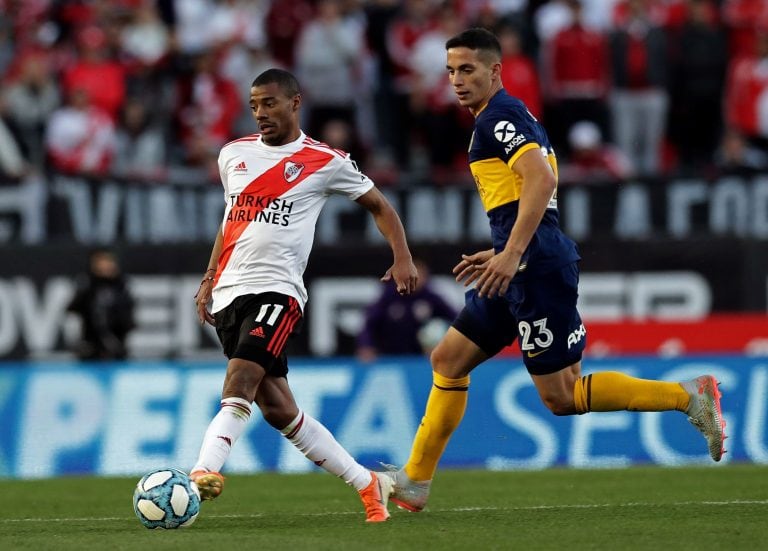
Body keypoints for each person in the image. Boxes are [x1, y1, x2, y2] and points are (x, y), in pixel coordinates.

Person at [379, 28, 726, 513]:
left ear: (494, 71)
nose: (457, 80)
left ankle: (688, 395)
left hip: (534, 268)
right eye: (451, 71)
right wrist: (501, 249)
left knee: (561, 397)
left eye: (468, 70)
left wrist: (512, 250)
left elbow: (541, 178)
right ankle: (415, 481)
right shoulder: (504, 116)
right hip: (518, 262)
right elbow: (530, 188)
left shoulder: (498, 117)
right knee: (448, 359)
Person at [191, 68, 418, 523]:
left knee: (239, 384)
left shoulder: (325, 160)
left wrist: (403, 257)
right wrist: (210, 276)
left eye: (269, 103)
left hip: (278, 291)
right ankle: (368, 483)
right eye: (254, 105)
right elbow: (231, 220)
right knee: (278, 410)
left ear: (295, 103)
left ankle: (200, 473)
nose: (260, 113)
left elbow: (380, 206)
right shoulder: (232, 155)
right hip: (231, 291)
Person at [356, 258, 458, 362]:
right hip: (389, 357)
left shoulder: (431, 298)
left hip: (421, 359)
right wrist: (366, 345)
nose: (415, 280)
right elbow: (369, 324)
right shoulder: (389, 296)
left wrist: (443, 346)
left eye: (420, 276)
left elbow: (456, 320)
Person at [67, 248, 135, 360]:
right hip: (90, 347)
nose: (105, 266)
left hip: (118, 346)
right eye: (101, 262)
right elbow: (72, 313)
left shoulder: (122, 286)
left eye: (108, 261)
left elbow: (129, 317)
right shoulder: (86, 285)